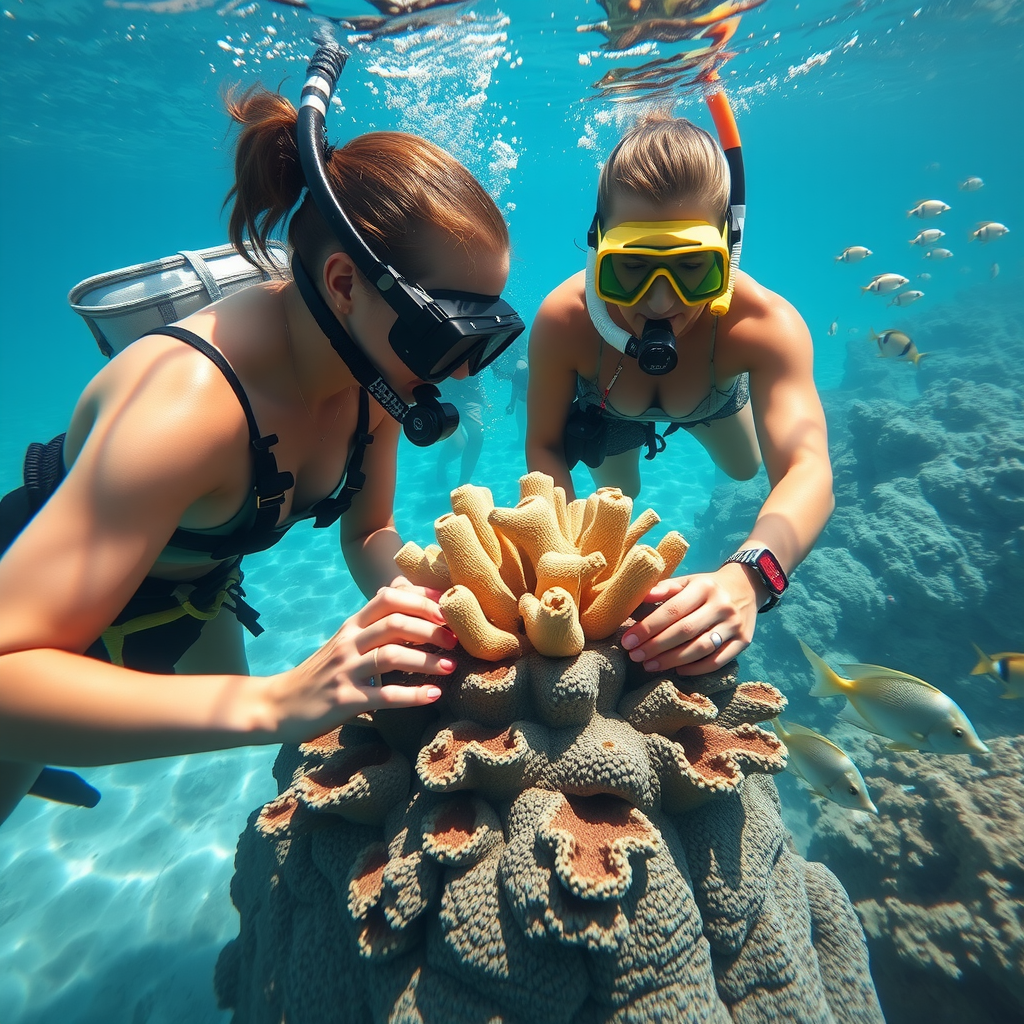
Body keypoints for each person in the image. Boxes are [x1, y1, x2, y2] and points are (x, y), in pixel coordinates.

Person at [0, 54, 523, 823]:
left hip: (202, 581)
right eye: (447, 336)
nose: (461, 371)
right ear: (345, 286)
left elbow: (369, 529)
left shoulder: (369, 370)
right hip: (53, 607)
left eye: (486, 339)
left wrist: (436, 596)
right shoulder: (185, 410)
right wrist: (276, 701)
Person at [526, 109, 833, 677]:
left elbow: (808, 470)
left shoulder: (764, 325)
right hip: (610, 407)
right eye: (632, 269)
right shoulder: (562, 322)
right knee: (616, 501)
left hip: (712, 400)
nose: (661, 303)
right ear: (597, 248)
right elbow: (545, 447)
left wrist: (751, 576)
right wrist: (563, 558)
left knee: (746, 470)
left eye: (694, 269)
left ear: (729, 252)